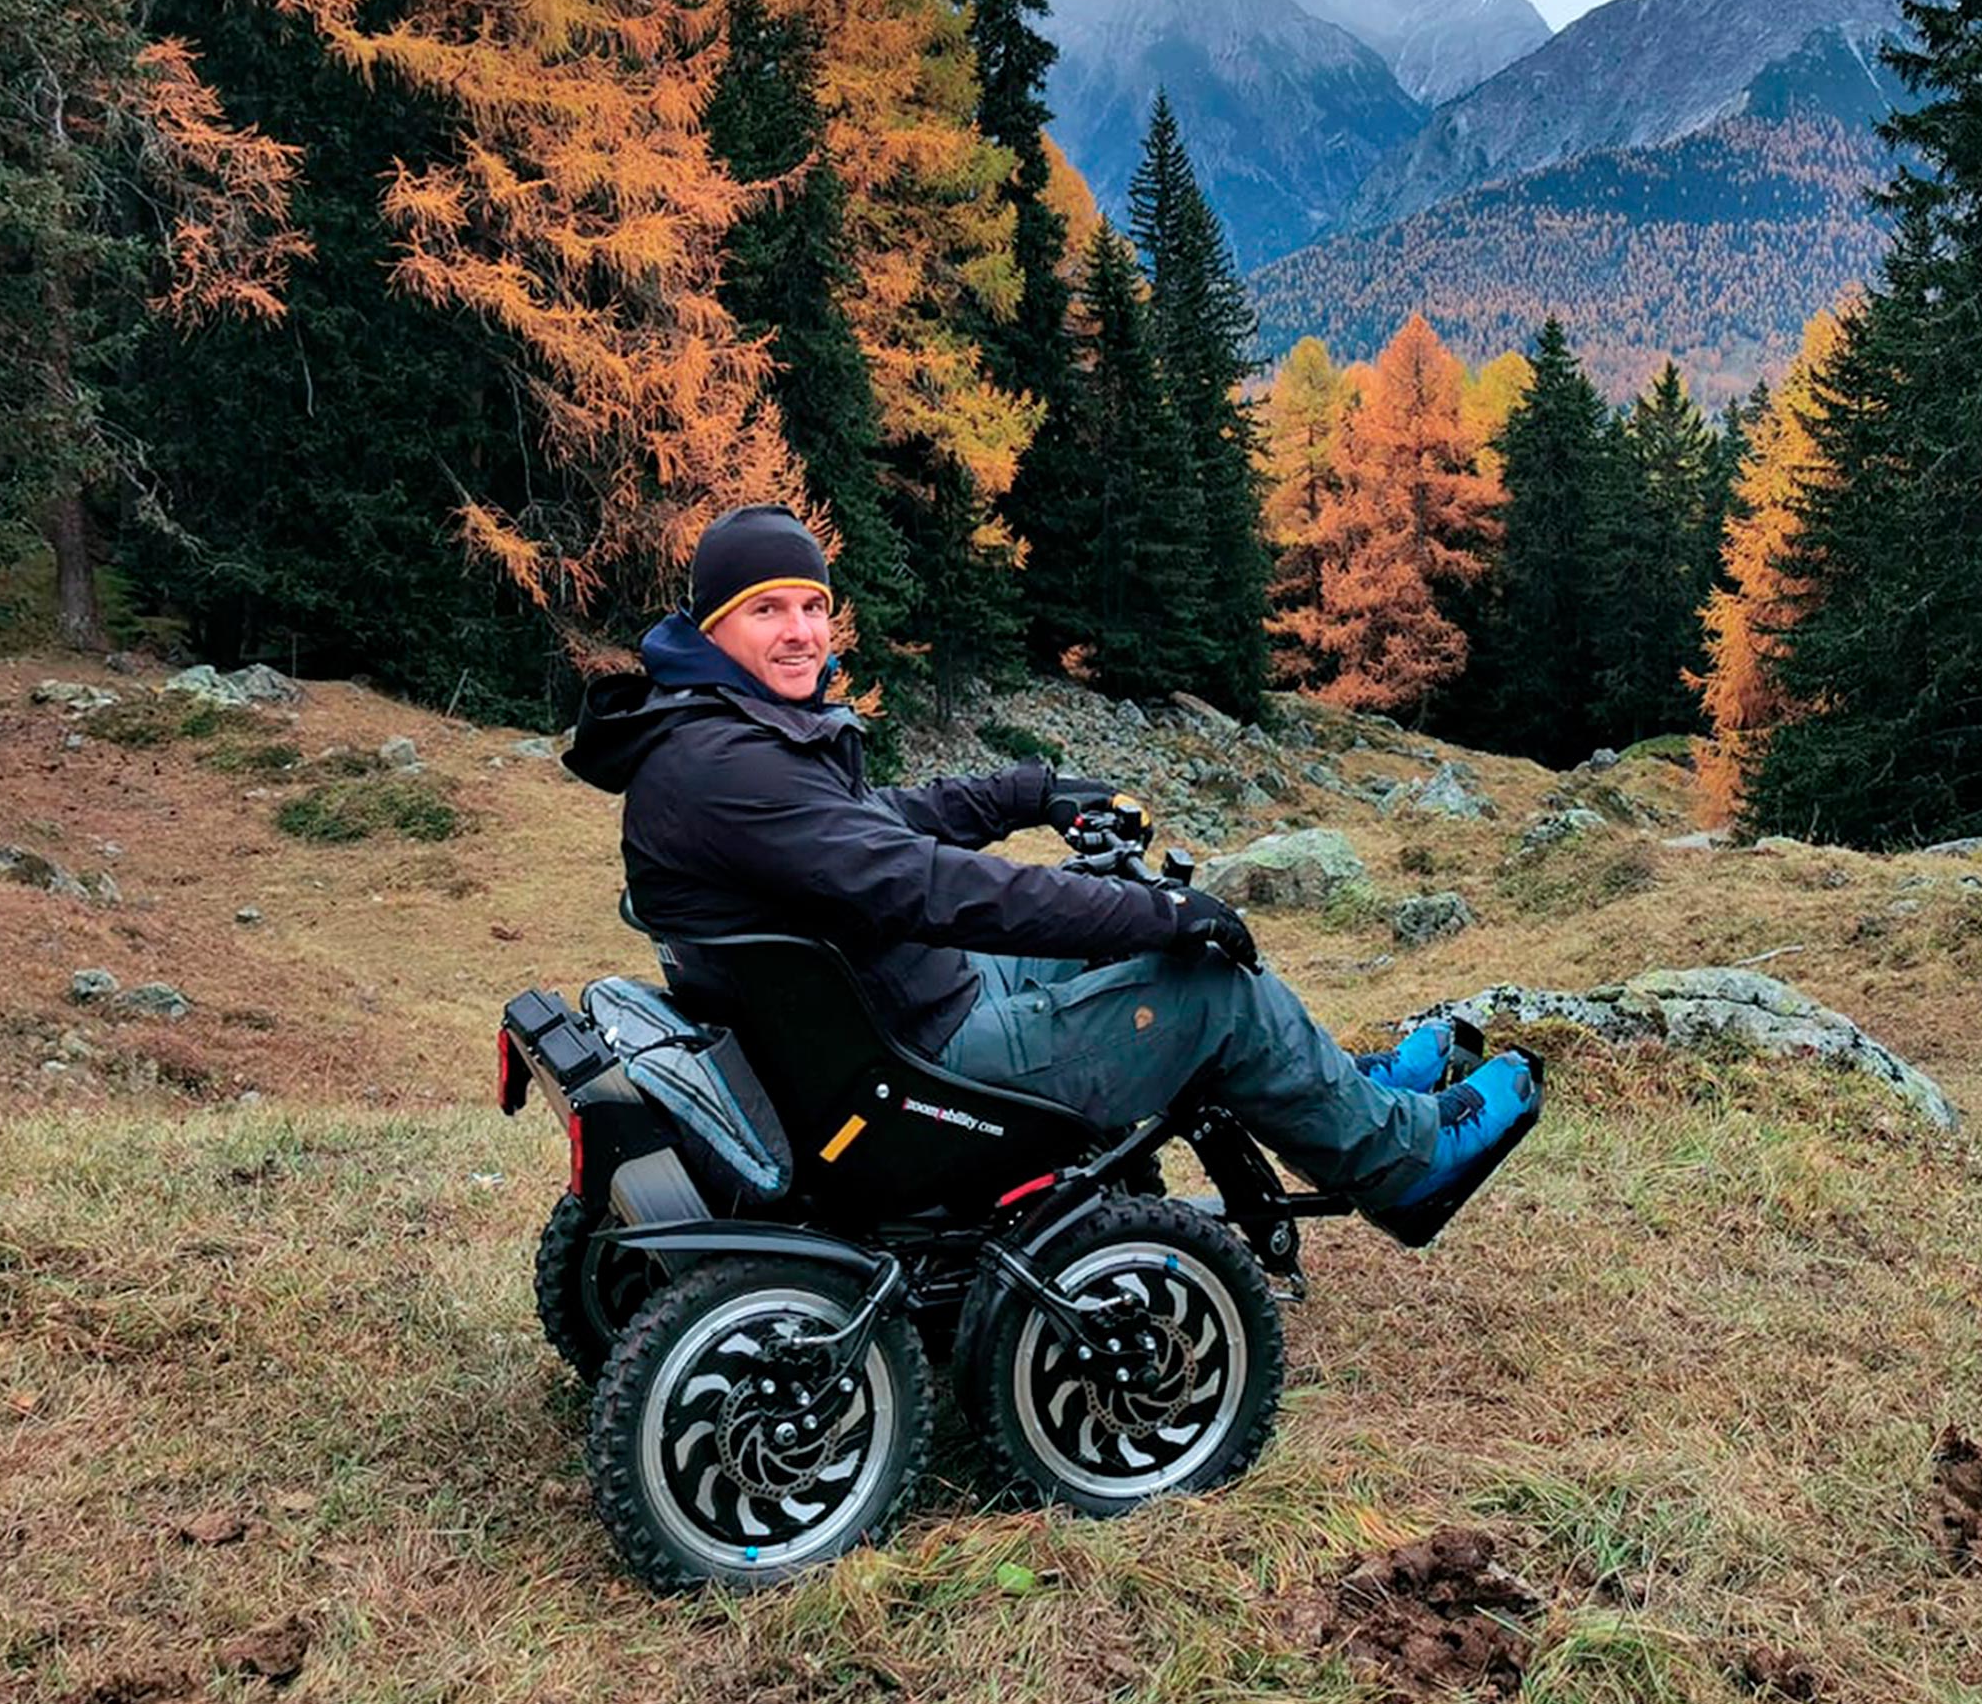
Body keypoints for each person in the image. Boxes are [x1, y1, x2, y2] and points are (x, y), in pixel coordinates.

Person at [566, 504, 1541, 1238]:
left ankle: (1338, 1090)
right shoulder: (729, 768)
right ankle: (1405, 1163)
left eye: (814, 606)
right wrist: (1156, 915)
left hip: (880, 1011)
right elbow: (929, 886)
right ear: (711, 626)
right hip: (913, 1064)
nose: (802, 632)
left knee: (1129, 940)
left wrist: (1033, 792)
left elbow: (878, 826)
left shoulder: (709, 734)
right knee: (1205, 988)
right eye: (766, 609)